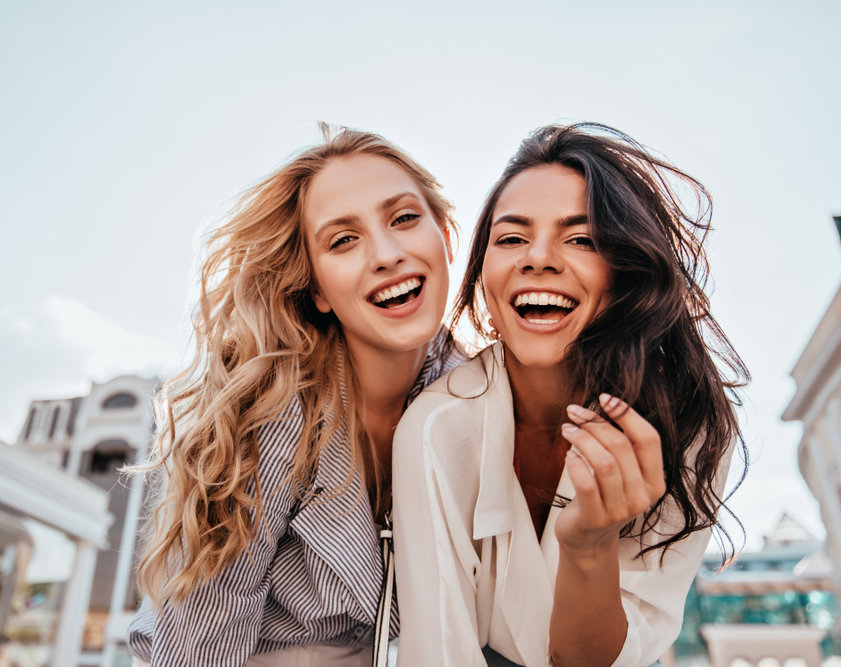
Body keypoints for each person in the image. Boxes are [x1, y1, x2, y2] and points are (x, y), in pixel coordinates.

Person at [391, 123, 748, 667]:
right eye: (510, 238)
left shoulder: (690, 429)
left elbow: (598, 659)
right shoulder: (436, 425)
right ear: (485, 278)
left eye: (581, 239)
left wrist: (590, 545)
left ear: (625, 275)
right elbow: (438, 650)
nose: (537, 258)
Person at [127, 123, 462, 667]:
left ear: (445, 237)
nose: (385, 253)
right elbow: (209, 622)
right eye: (342, 240)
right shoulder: (273, 406)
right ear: (317, 290)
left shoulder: (475, 395)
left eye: (403, 218)